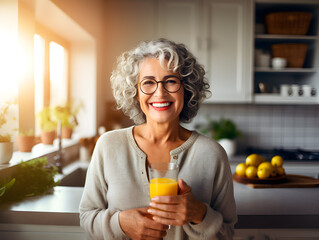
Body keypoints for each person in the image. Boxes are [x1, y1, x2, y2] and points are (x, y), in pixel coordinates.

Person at [79, 38, 237, 240]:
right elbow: (87, 217)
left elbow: (227, 233)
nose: (160, 93)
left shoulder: (212, 154)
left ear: (186, 89)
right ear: (135, 92)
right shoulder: (108, 145)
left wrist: (199, 214)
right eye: (148, 82)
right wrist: (120, 223)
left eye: (171, 81)